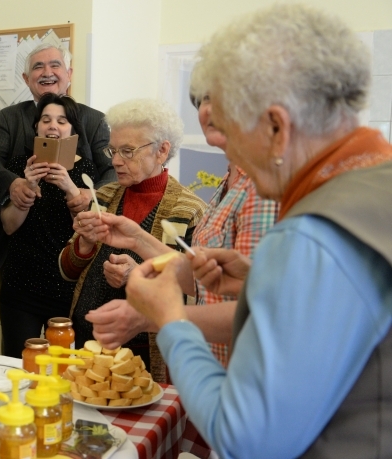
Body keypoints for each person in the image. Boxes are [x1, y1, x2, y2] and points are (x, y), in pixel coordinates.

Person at [119, 4, 392, 458]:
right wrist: (259, 283)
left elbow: (246, 438)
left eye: (230, 129)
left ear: (276, 127)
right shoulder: (374, 185)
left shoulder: (311, 235)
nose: (228, 149)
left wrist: (168, 317)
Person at [82, 92, 279, 368]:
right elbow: (204, 282)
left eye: (127, 151)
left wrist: (148, 317)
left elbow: (259, 311)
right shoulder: (229, 181)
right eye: (201, 101)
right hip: (212, 365)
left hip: (238, 372)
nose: (206, 111)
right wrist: (136, 238)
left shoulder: (261, 186)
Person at [58, 99, 207, 383]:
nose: (115, 161)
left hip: (147, 351)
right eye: (113, 150)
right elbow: (66, 271)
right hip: (89, 340)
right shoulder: (103, 196)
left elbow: (199, 292)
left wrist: (135, 275)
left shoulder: (190, 210)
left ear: (162, 150)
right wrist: (85, 246)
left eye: (127, 151)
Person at [0, 44, 115, 272]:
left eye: (55, 65)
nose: (47, 72)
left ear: (69, 75)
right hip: (19, 249)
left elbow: (114, 169)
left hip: (76, 245)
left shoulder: (94, 119)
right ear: (26, 78)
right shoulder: (10, 117)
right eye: (38, 67)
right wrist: (14, 183)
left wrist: (91, 194)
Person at [0, 93, 96, 357]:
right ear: (37, 128)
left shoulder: (86, 171)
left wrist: (70, 186)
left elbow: (87, 232)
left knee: (64, 369)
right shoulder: (20, 165)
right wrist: (28, 185)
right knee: (20, 364)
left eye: (62, 121)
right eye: (46, 120)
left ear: (72, 131)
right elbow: (8, 226)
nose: (53, 126)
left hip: (67, 290)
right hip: (20, 286)